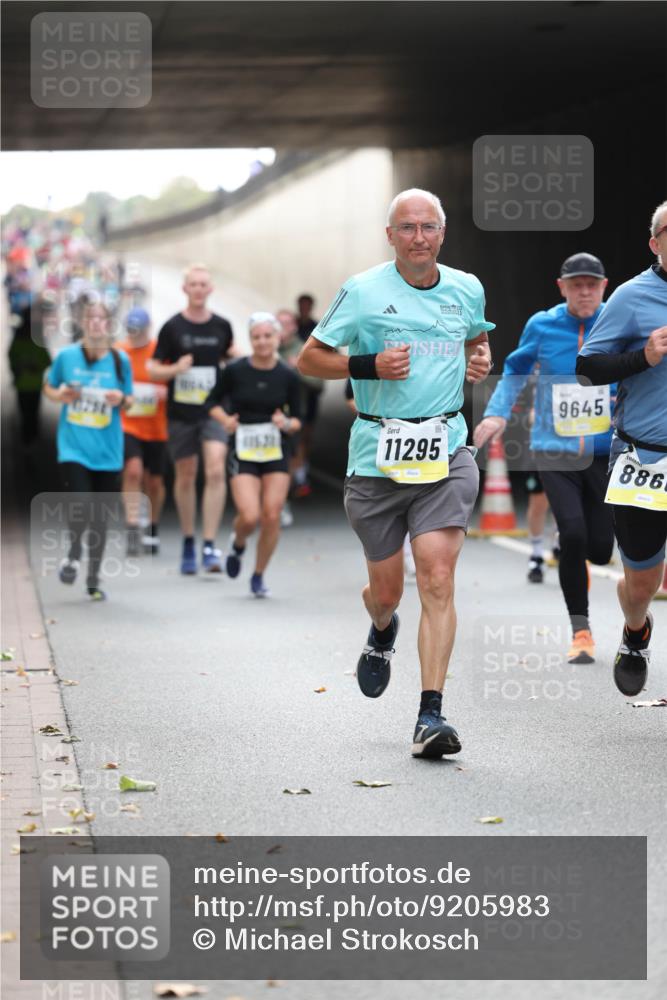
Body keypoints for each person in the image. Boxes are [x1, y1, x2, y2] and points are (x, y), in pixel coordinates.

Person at [298, 188, 494, 758]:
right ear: (390, 236)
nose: (417, 237)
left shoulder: (466, 286)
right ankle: (382, 628)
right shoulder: (362, 292)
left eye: (427, 227)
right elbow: (308, 359)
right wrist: (367, 364)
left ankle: (430, 714)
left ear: (442, 232)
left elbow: (476, 341)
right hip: (378, 456)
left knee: (436, 576)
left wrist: (479, 359)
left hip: (445, 448)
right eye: (406, 228)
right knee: (386, 590)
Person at [474, 253, 614, 664]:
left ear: (604, 286)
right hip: (555, 449)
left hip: (607, 451)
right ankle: (581, 631)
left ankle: (574, 542)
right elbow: (516, 370)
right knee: (573, 534)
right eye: (577, 284)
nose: (584, 291)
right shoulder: (543, 324)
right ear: (562, 287)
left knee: (601, 549)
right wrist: (497, 412)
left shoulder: (618, 321)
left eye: (592, 284)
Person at [576, 200, 667, 696]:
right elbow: (588, 368)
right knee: (640, 583)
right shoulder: (632, 298)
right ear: (655, 242)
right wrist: (645, 355)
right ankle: (636, 630)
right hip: (645, 457)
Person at [205, 312, 302, 597]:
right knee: (249, 516)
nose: (262, 342)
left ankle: (258, 575)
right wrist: (225, 421)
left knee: (271, 515)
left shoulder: (287, 375)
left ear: (277, 338)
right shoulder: (235, 370)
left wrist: (285, 423)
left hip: (275, 449)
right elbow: (210, 402)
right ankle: (238, 543)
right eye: (256, 337)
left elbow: (298, 420)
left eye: (267, 336)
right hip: (244, 448)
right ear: (250, 340)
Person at [43, 300, 133, 600]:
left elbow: (130, 401)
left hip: (108, 451)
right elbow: (49, 386)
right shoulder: (67, 357)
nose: (95, 323)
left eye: (101, 318)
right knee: (81, 503)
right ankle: (72, 551)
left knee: (100, 517)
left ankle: (93, 578)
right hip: (73, 447)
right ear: (81, 322)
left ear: (108, 324)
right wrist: (61, 394)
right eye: (90, 318)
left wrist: (120, 398)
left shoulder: (120, 361)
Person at [148, 264, 235, 574]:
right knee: (186, 474)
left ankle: (209, 543)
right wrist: (174, 370)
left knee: (214, 470)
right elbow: (152, 368)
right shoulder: (172, 327)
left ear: (210, 290)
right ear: (185, 289)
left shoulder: (222, 325)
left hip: (213, 409)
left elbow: (227, 354)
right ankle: (188, 539)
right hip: (182, 412)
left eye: (203, 284)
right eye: (193, 284)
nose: (198, 289)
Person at [116, 307, 168, 556]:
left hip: (157, 426)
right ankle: (132, 524)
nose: (135, 335)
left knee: (154, 482)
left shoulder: (159, 352)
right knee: (133, 470)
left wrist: (165, 392)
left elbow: (175, 380)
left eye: (139, 330)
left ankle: (153, 526)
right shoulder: (119, 352)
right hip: (129, 423)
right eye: (131, 330)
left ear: (149, 328)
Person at [8, 296, 53, 445]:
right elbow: (47, 360)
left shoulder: (19, 339)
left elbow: (11, 356)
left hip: (24, 383)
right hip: (33, 384)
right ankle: (31, 436)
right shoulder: (37, 339)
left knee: (26, 412)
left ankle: (28, 436)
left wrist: (18, 369)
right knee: (32, 412)